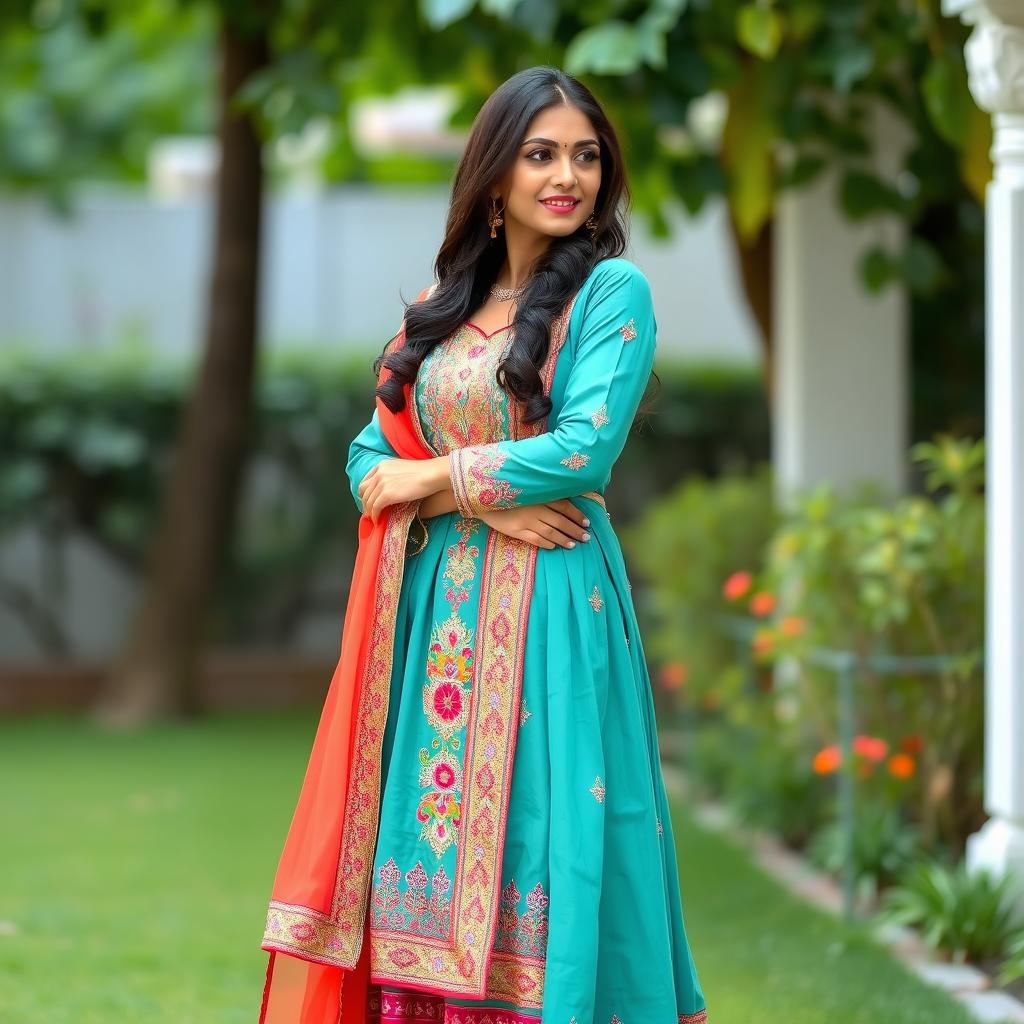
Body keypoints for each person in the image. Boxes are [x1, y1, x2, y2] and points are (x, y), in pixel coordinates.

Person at [258, 65, 708, 1024]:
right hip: (432, 634)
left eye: (586, 156)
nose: (568, 176)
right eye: (541, 154)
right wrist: (471, 500)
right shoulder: (441, 305)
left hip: (550, 608)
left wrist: (436, 480)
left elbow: (583, 448)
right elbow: (368, 455)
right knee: (426, 846)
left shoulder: (611, 293)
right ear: (495, 174)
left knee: (543, 838)